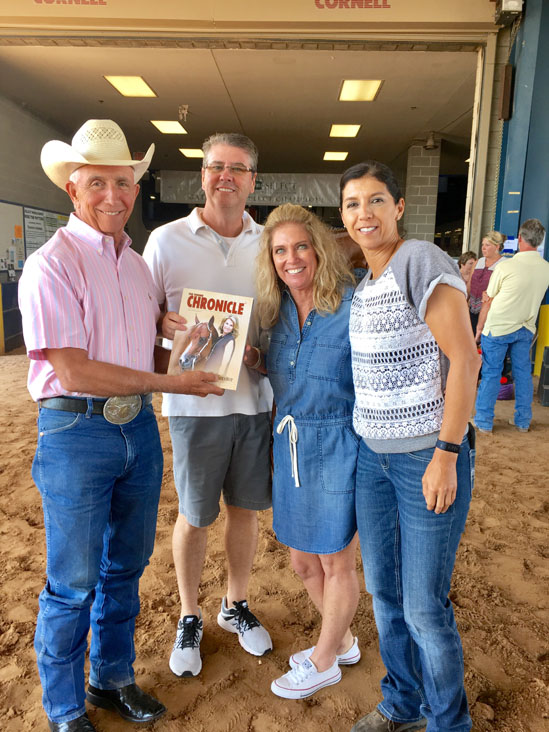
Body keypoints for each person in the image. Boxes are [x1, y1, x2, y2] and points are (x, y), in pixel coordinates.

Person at [18, 119, 223, 732]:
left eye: (124, 181)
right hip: (76, 432)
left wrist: (194, 342)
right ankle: (62, 706)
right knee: (73, 580)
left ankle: (110, 679)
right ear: (72, 190)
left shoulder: (135, 266)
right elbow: (74, 369)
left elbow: (144, 356)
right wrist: (170, 382)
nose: (114, 194)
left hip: (134, 431)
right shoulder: (50, 264)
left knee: (125, 568)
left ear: (136, 188)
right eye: (98, 182)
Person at [340, 160, 480, 732]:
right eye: (352, 203)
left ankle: (449, 723)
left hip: (426, 454)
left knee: (423, 605)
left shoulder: (418, 260)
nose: (363, 213)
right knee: (385, 595)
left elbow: (466, 359)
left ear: (398, 207)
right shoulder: (365, 283)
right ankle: (402, 703)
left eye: (375, 200)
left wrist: (446, 453)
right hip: (372, 459)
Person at [143, 133, 273, 680]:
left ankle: (235, 603)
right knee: (195, 515)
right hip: (192, 408)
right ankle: (190, 614)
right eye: (217, 167)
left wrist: (261, 354)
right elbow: (142, 320)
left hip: (254, 402)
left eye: (238, 169)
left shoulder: (270, 242)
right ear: (202, 174)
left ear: (251, 180)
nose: (226, 177)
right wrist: (163, 325)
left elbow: (281, 322)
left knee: (244, 511)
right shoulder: (164, 241)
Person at [249, 203, 360, 700]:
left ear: (318, 250)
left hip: (339, 444)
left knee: (337, 563)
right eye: (279, 251)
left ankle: (323, 659)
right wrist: (251, 359)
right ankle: (345, 641)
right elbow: (286, 375)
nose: (290, 258)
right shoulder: (277, 316)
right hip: (289, 444)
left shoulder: (354, 307)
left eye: (299, 246)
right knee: (301, 562)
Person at [474, 218, 549, 434]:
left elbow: (488, 300)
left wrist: (480, 329)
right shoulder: (546, 268)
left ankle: (484, 421)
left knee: (491, 373)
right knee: (523, 374)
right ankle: (523, 421)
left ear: (521, 239)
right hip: (525, 327)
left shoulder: (507, 266)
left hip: (498, 327)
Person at [468, 230, 505, 331]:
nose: (483, 248)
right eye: (482, 244)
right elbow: (470, 285)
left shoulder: (503, 265)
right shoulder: (477, 262)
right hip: (471, 310)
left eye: (487, 245)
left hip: (490, 313)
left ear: (497, 247)